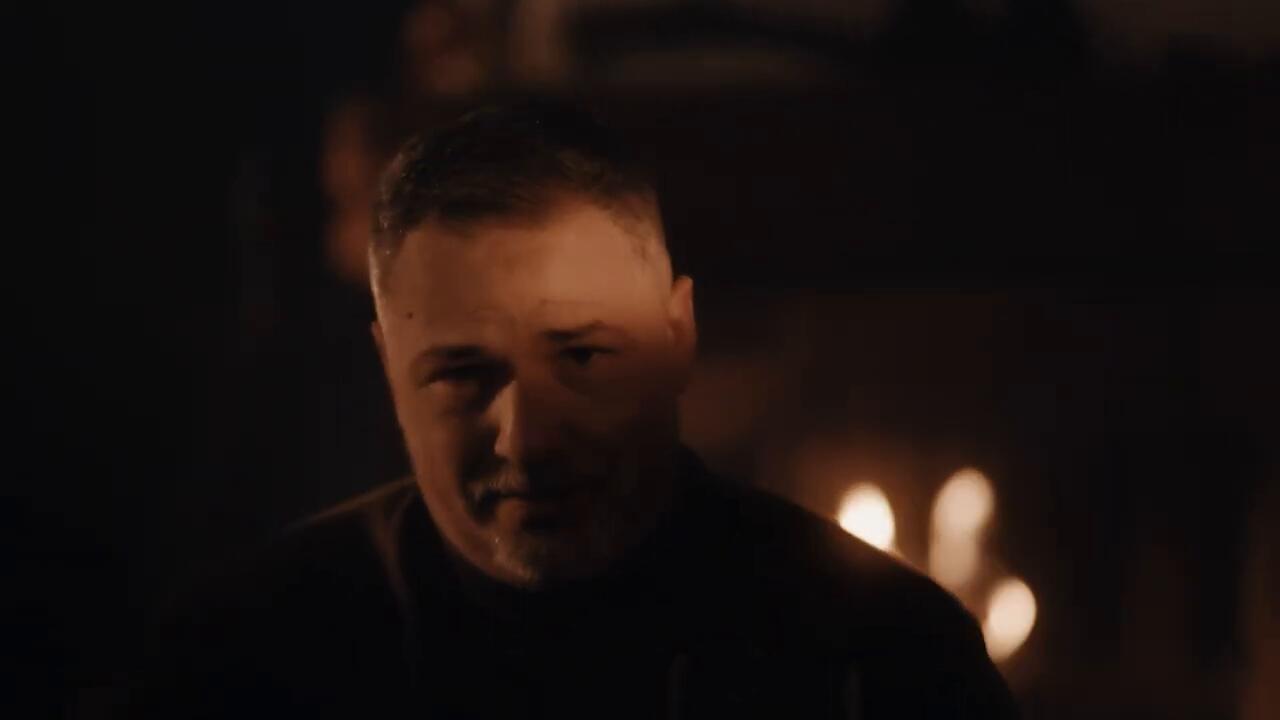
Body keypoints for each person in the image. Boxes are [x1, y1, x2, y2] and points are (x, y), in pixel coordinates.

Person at [125, 100, 1018, 719]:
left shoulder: (887, 660)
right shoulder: (244, 661)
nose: (528, 439)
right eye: (461, 375)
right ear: (389, 371)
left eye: (582, 357)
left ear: (677, 337)